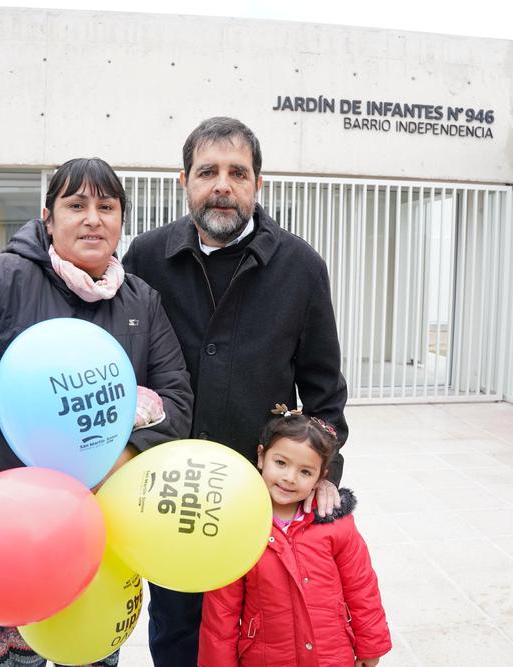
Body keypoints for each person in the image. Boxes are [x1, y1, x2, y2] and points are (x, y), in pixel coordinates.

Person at [0, 157, 193, 667]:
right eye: (76, 205)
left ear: (122, 220)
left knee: (91, 656)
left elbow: (177, 402)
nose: (92, 219)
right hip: (3, 533)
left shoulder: (141, 300)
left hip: (96, 536)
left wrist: (122, 456)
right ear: (48, 218)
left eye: (106, 206)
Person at [122, 116, 349, 666]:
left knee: (256, 636)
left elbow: (324, 391)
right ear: (184, 182)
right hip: (168, 495)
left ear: (258, 185)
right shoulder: (146, 259)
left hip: (260, 499)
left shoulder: (300, 267)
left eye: (237, 173)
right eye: (208, 172)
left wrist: (323, 474)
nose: (222, 185)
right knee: (176, 630)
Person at [199, 407, 390, 667]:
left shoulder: (336, 524)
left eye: (305, 472)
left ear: (321, 477)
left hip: (331, 655)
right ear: (261, 456)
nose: (290, 478)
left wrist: (371, 646)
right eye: (281, 463)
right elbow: (221, 612)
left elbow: (361, 587)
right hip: (267, 658)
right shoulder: (239, 527)